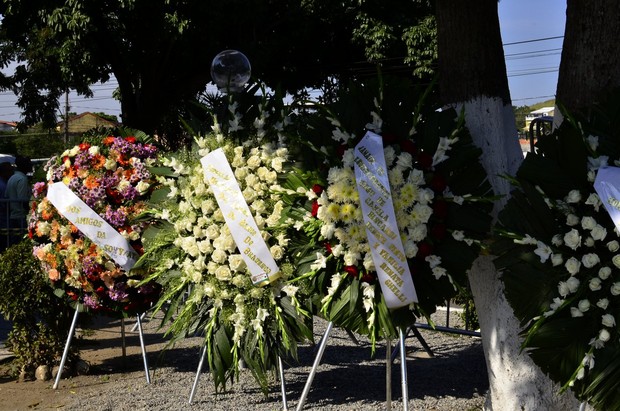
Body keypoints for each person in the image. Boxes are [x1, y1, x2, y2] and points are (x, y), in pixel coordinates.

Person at [6, 156, 31, 245]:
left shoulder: (12, 178)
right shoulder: (22, 179)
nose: (30, 165)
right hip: (21, 216)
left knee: (14, 243)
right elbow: (23, 199)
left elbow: (7, 196)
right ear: (23, 165)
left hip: (13, 216)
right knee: (23, 242)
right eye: (28, 163)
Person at [0, 161, 14, 250]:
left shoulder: (3, 182)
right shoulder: (3, 185)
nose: (12, 173)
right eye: (10, 171)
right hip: (3, 217)